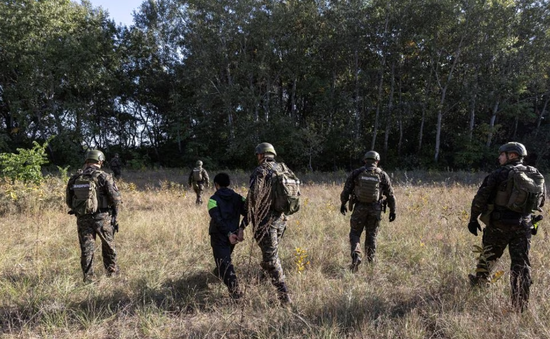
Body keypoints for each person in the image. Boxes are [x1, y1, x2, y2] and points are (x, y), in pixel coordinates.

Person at [468, 142, 546, 312]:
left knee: (488, 257)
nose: (499, 157)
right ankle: (520, 305)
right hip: (524, 227)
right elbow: (540, 203)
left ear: (511, 155)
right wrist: (533, 224)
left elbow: (480, 198)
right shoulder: (535, 174)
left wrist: (473, 219)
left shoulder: (498, 174)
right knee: (521, 266)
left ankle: (479, 286)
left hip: (499, 225)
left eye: (502, 154)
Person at [239, 142, 293, 304]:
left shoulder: (261, 171)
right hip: (281, 219)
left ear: (261, 155)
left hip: (266, 221)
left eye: (257, 155)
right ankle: (261, 281)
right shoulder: (284, 169)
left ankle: (284, 297)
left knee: (271, 259)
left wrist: (242, 224)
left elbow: (252, 200)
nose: (257, 157)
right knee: (271, 252)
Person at [65, 150, 122, 283]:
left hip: (83, 217)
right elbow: (116, 199)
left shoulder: (75, 177)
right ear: (100, 161)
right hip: (102, 217)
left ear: (87, 161)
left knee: (86, 248)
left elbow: (69, 201)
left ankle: (89, 278)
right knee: (108, 245)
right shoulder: (104, 176)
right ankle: (111, 273)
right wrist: (114, 214)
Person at [340, 150, 396, 272]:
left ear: (365, 160)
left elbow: (346, 190)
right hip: (375, 209)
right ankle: (370, 263)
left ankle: (356, 255)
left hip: (359, 208)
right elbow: (390, 195)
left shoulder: (357, 173)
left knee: (355, 233)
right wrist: (393, 211)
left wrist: (343, 203)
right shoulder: (382, 174)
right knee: (371, 235)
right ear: (377, 161)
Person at [208, 172, 246, 300]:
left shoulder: (213, 200)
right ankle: (218, 274)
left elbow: (217, 219)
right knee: (224, 260)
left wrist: (229, 233)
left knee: (224, 262)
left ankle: (236, 292)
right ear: (228, 184)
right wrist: (241, 228)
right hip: (233, 237)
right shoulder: (238, 197)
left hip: (219, 236)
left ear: (216, 185)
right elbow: (250, 211)